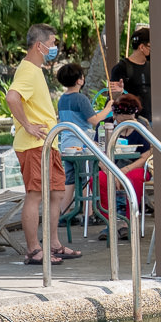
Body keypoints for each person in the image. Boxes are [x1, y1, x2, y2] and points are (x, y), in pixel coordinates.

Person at [6, 23, 81, 265]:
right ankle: (33, 249)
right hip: (34, 144)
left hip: (49, 144)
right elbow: (12, 97)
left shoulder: (36, 70)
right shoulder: (28, 70)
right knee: (36, 195)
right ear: (40, 45)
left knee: (57, 192)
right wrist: (27, 125)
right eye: (52, 44)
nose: (55, 48)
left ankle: (53, 243)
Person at [57, 63, 113, 215]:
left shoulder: (62, 99)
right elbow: (94, 120)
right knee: (86, 178)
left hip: (66, 145)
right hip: (81, 145)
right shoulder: (81, 98)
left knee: (70, 179)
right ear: (79, 81)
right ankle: (87, 214)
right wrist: (108, 109)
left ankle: (65, 211)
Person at [96, 94, 152, 240]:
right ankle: (110, 222)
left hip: (134, 167)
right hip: (109, 166)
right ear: (115, 114)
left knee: (135, 178)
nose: (127, 121)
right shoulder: (105, 126)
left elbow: (146, 155)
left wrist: (125, 170)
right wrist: (111, 171)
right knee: (101, 179)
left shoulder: (141, 125)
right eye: (123, 118)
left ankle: (129, 222)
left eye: (131, 117)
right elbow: (97, 151)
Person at [109, 27, 151, 120]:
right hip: (132, 121)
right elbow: (113, 97)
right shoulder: (121, 68)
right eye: (150, 46)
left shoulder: (152, 67)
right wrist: (117, 92)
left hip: (152, 119)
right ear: (142, 47)